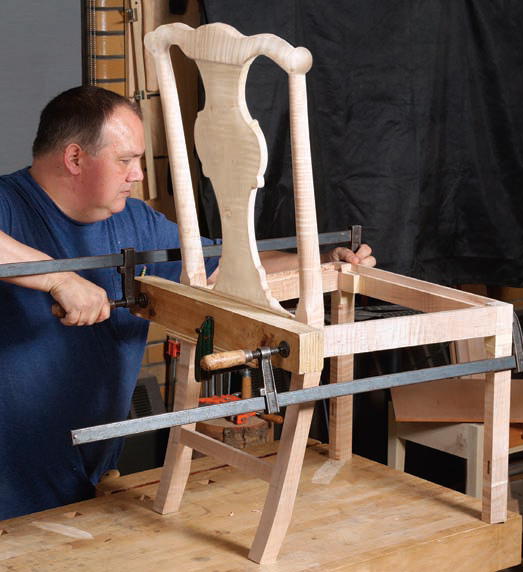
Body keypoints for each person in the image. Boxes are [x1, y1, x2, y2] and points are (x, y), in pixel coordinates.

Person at [0, 86, 375, 520]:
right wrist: (59, 278)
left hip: (83, 477)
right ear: (75, 159)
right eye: (126, 160)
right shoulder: (10, 205)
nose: (138, 175)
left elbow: (226, 265)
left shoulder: (133, 221)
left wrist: (322, 263)